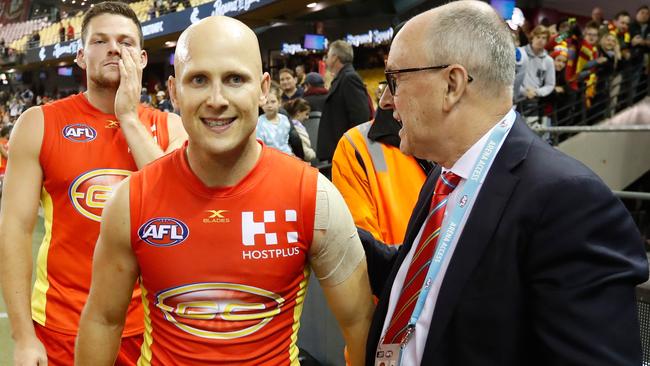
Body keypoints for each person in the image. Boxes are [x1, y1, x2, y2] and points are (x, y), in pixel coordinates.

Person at [75, 15, 374, 365]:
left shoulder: (314, 197)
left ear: (264, 89)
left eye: (235, 79)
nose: (217, 99)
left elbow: (358, 323)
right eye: (199, 79)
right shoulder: (130, 200)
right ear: (174, 92)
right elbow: (102, 320)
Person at [361, 2, 648, 365]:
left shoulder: (569, 202)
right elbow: (427, 283)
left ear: (452, 84)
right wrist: (330, 227)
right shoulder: (444, 174)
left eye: (394, 80)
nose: (386, 101)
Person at [0, 2, 187, 365]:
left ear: (144, 58)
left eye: (126, 42)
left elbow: (177, 208)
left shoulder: (171, 128)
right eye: (100, 41)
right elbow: (15, 230)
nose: (114, 48)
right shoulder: (38, 123)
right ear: (82, 56)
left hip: (151, 327)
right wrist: (23, 336)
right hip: (62, 324)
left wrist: (129, 118)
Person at [332, 80, 430, 246]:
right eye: (393, 78)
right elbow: (364, 249)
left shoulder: (470, 141)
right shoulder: (356, 146)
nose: (384, 100)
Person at [317, 40, 371, 164]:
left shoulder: (349, 78)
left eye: (328, 55)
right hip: (339, 150)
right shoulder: (343, 78)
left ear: (335, 57)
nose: (326, 59)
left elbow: (360, 116)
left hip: (347, 152)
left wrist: (352, 148)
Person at [257, 85, 293, 155]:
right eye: (266, 102)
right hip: (269, 157)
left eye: (273, 102)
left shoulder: (284, 119)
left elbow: (286, 142)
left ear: (279, 102)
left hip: (287, 155)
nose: (269, 105)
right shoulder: (259, 123)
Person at [284, 97, 316, 162]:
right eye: (306, 114)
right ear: (298, 113)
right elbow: (305, 152)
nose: (307, 117)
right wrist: (313, 154)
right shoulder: (298, 129)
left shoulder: (286, 125)